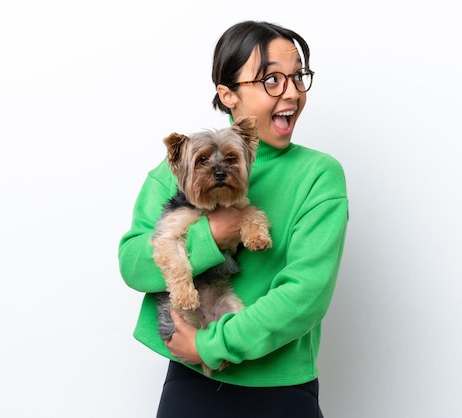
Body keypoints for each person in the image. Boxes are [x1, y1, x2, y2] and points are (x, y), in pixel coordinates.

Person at [118, 20, 348, 418]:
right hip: (191, 380)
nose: (291, 91)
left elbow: (305, 294)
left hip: (279, 385)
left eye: (298, 77)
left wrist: (209, 345)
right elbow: (134, 266)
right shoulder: (180, 167)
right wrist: (209, 235)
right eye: (272, 79)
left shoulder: (319, 175)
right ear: (228, 94)